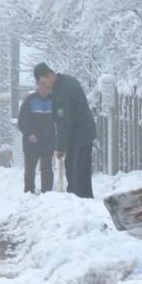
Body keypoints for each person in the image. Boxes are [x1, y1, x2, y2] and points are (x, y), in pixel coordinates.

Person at [33, 63, 97, 198]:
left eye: (44, 83)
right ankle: (76, 199)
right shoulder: (63, 83)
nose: (44, 87)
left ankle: (80, 200)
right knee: (74, 168)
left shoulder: (64, 91)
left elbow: (64, 122)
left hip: (81, 135)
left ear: (50, 74)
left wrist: (61, 148)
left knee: (77, 171)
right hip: (78, 135)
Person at [17, 81, 56, 193]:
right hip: (31, 142)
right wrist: (29, 134)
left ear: (49, 88)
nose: (43, 89)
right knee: (30, 169)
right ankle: (29, 192)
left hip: (48, 141)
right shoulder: (30, 100)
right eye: (41, 86)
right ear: (37, 87)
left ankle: (47, 192)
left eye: (46, 86)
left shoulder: (53, 100)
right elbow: (22, 121)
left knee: (47, 168)